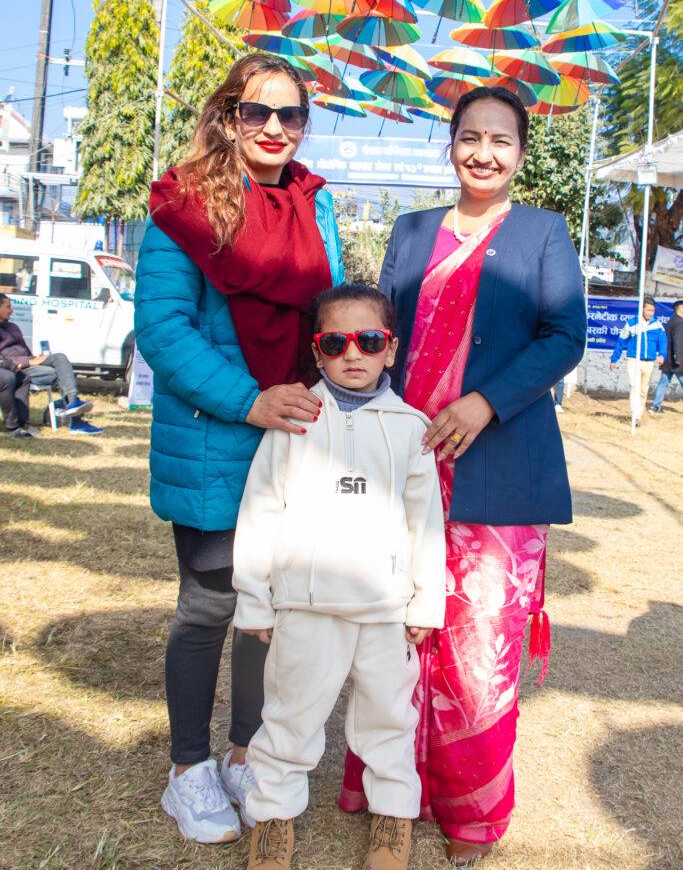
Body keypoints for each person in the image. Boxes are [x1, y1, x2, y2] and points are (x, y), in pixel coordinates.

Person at [339, 86, 587, 865]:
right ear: (450, 145)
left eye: (500, 140)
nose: (483, 152)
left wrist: (485, 402)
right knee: (395, 634)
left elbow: (564, 336)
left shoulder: (543, 233)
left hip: (497, 467)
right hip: (408, 464)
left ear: (520, 154)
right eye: (469, 137)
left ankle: (471, 812)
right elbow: (382, 333)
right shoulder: (412, 231)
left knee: (478, 646)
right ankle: (391, 791)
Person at [134, 53, 344, 845]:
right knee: (211, 604)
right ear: (226, 116)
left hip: (293, 437)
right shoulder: (182, 203)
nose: (274, 128)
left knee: (272, 610)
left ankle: (245, 754)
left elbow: (327, 310)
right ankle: (187, 770)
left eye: (291, 115)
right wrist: (249, 399)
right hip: (214, 434)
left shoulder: (315, 203)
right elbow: (162, 329)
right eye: (257, 111)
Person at [233, 283, 446, 870]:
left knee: (389, 720)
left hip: (385, 610)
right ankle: (273, 821)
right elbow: (261, 509)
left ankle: (393, 819)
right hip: (305, 606)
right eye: (336, 342)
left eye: (369, 340)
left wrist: (426, 600)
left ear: (391, 348)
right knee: (288, 718)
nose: (353, 354)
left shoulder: (411, 427)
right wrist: (254, 599)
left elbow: (425, 521)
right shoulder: (295, 418)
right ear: (317, 350)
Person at [0, 293, 101, 438]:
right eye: (8, 307)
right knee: (62, 374)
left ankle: (72, 402)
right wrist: (29, 362)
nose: (12, 310)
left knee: (59, 358)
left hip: (30, 361)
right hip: (16, 367)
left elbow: (24, 350)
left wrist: (37, 357)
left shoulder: (13, 327)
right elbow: (3, 360)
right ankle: (74, 419)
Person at [610, 296, 667, 424]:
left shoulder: (657, 324)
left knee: (643, 391)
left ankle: (639, 416)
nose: (650, 313)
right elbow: (621, 341)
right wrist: (614, 359)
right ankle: (635, 415)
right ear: (642, 309)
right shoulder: (632, 323)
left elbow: (663, 342)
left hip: (649, 362)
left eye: (652, 311)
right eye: (648, 310)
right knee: (634, 386)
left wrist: (662, 355)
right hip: (634, 361)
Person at [650, 299, 683, 413]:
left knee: (663, 383)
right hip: (677, 361)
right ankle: (655, 406)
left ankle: (655, 407)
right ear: (681, 309)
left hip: (668, 360)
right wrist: (678, 358)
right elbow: (677, 341)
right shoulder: (680, 322)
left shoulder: (672, 320)